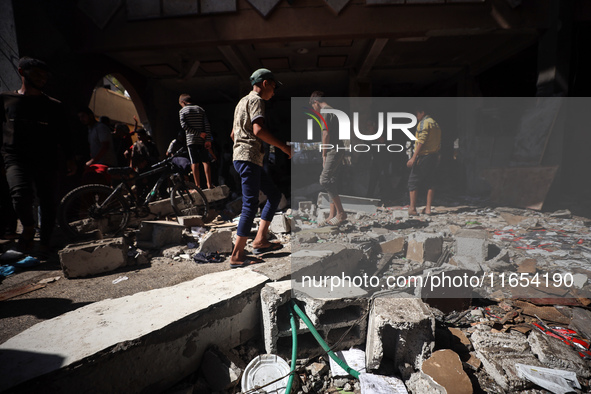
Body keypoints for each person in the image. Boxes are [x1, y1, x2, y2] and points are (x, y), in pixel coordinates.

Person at [0, 57, 76, 252]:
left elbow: (64, 134)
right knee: (20, 195)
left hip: (46, 159)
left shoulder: (53, 106)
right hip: (15, 158)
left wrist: (70, 158)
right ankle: (28, 226)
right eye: (36, 74)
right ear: (21, 72)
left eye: (44, 75)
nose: (42, 79)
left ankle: (44, 243)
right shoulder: (6, 100)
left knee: (48, 202)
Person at [229, 68, 292, 268]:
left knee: (274, 195)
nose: (274, 92)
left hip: (245, 158)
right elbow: (258, 129)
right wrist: (283, 146)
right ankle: (237, 255)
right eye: (273, 86)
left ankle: (260, 241)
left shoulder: (241, 102)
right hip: (249, 158)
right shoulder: (256, 100)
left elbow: (233, 134)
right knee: (250, 203)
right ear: (265, 83)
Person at [309, 91, 347, 226]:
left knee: (324, 180)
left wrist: (324, 153)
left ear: (315, 102)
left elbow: (326, 134)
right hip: (338, 148)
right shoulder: (333, 110)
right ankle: (332, 215)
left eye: (313, 107)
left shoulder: (325, 111)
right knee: (331, 180)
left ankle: (341, 213)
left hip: (333, 150)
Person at [406, 107, 441, 216]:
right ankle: (428, 209)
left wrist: (413, 157)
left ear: (422, 112)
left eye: (417, 114)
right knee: (430, 181)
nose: (416, 117)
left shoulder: (423, 123)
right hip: (433, 156)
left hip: (423, 156)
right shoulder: (435, 124)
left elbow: (421, 141)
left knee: (412, 182)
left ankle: (412, 209)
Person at [178, 94, 214, 189]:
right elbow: (207, 125)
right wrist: (207, 139)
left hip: (191, 140)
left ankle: (197, 186)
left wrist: (197, 133)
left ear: (183, 102)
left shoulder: (182, 111)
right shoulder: (200, 109)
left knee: (194, 163)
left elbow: (184, 126)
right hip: (202, 139)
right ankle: (209, 184)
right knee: (205, 161)